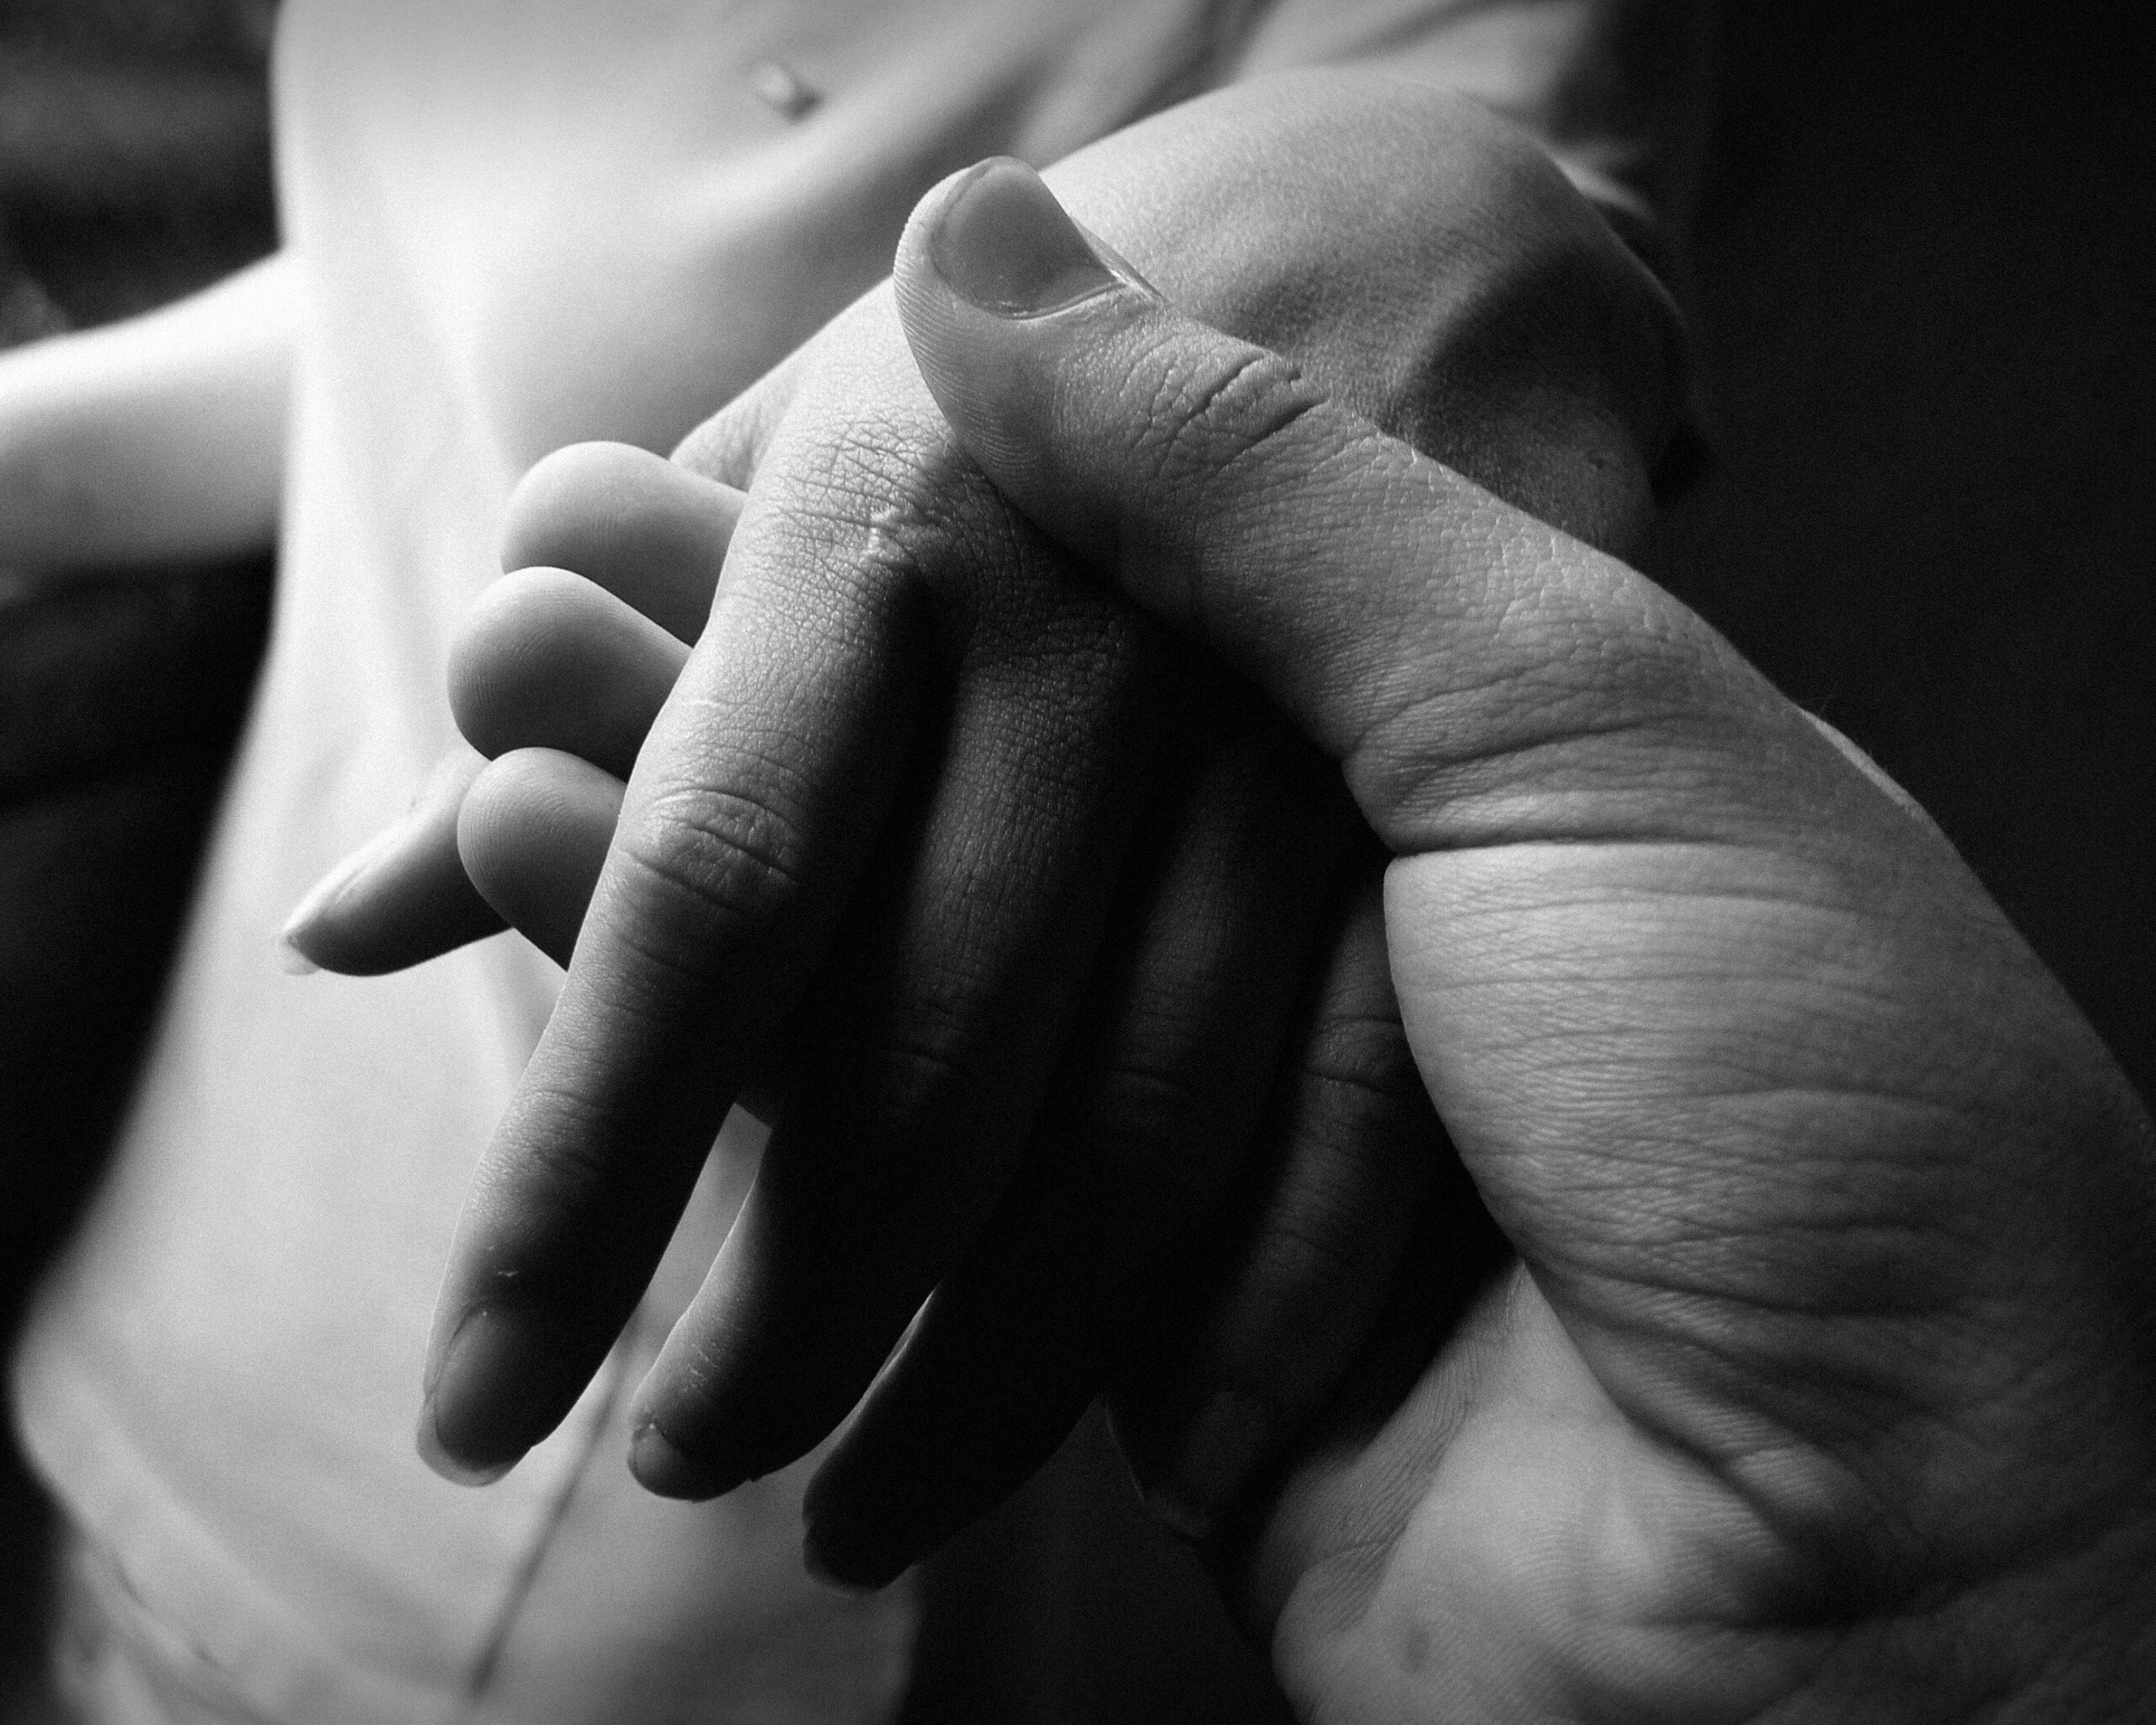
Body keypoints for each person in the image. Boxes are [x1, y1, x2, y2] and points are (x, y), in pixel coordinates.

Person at [2, 3, 1708, 1720]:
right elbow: (431, 290)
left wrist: (1424, 206)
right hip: (178, 1253)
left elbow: (1476, 257)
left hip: (544, 1541)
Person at [350, 157, 2156, 1719]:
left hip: (743, 1553)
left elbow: (1535, 200)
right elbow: (402, 289)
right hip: (274, 1195)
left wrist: (1441, 189)